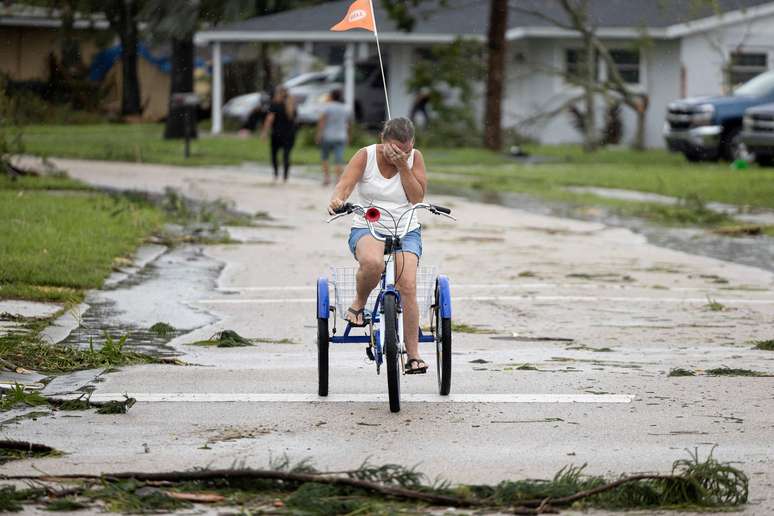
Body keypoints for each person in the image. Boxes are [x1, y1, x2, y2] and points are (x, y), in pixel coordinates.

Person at [327, 118, 429, 374]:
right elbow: (345, 186)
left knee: (407, 285)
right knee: (373, 264)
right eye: (395, 148)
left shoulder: (414, 158)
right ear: (383, 141)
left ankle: (413, 355)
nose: (400, 153)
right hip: (368, 224)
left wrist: (403, 165)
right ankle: (359, 303)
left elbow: (417, 198)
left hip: (406, 228)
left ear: (412, 144)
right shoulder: (366, 155)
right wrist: (338, 200)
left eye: (405, 149)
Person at [261, 86, 297, 182]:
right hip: (290, 134)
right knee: (286, 155)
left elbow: (269, 119)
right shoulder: (292, 105)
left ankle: (276, 174)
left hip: (277, 134)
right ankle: (285, 176)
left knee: (274, 154)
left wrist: (264, 132)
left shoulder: (275, 105)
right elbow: (295, 120)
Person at [316, 89, 351, 186]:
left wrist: (319, 134)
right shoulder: (345, 108)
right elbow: (347, 124)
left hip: (327, 136)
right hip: (341, 136)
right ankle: (338, 179)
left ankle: (327, 178)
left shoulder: (327, 107)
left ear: (331, 96)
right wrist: (348, 136)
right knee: (338, 159)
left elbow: (322, 122)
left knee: (325, 157)